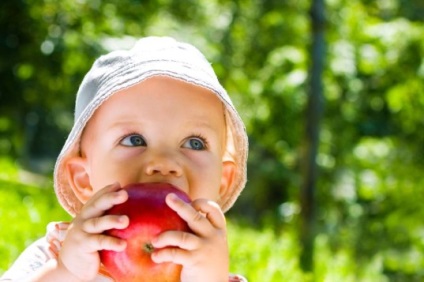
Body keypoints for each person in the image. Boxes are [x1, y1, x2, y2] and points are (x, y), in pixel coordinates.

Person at [0, 36, 248, 282]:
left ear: (222, 181)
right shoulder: (58, 256)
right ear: (84, 179)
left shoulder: (211, 272)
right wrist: (66, 273)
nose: (164, 163)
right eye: (134, 140)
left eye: (195, 143)